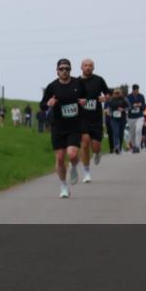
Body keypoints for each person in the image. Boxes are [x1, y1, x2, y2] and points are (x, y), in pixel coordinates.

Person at [40, 58, 87, 198]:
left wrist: (84, 101)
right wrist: (49, 103)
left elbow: (85, 98)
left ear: (71, 70)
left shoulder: (78, 83)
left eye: (67, 68)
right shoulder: (52, 87)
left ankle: (73, 167)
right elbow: (42, 105)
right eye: (62, 69)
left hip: (74, 126)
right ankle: (64, 187)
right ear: (57, 71)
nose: (64, 71)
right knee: (60, 158)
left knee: (72, 154)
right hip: (58, 127)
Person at [77, 59, 111, 182]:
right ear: (81, 67)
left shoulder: (99, 80)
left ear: (93, 68)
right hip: (82, 118)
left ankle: (97, 153)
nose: (88, 68)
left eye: (90, 66)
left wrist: (105, 98)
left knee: (95, 146)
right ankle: (86, 172)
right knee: (84, 143)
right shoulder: (76, 82)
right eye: (85, 65)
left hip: (96, 118)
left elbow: (108, 94)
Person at [104, 89, 128, 155]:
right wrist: (108, 111)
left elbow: (129, 107)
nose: (117, 94)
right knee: (115, 132)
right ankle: (116, 147)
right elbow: (108, 108)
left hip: (122, 119)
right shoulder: (111, 100)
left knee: (121, 133)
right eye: (115, 93)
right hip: (114, 119)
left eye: (118, 93)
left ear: (120, 93)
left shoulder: (124, 100)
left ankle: (119, 147)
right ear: (113, 93)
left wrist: (123, 109)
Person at [126, 84, 146, 154]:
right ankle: (134, 146)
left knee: (138, 130)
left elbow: (144, 106)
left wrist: (141, 105)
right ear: (133, 90)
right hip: (131, 117)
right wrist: (132, 106)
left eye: (138, 90)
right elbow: (126, 107)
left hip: (139, 116)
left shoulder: (141, 96)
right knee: (132, 132)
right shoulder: (128, 97)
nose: (137, 91)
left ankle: (137, 146)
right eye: (135, 90)